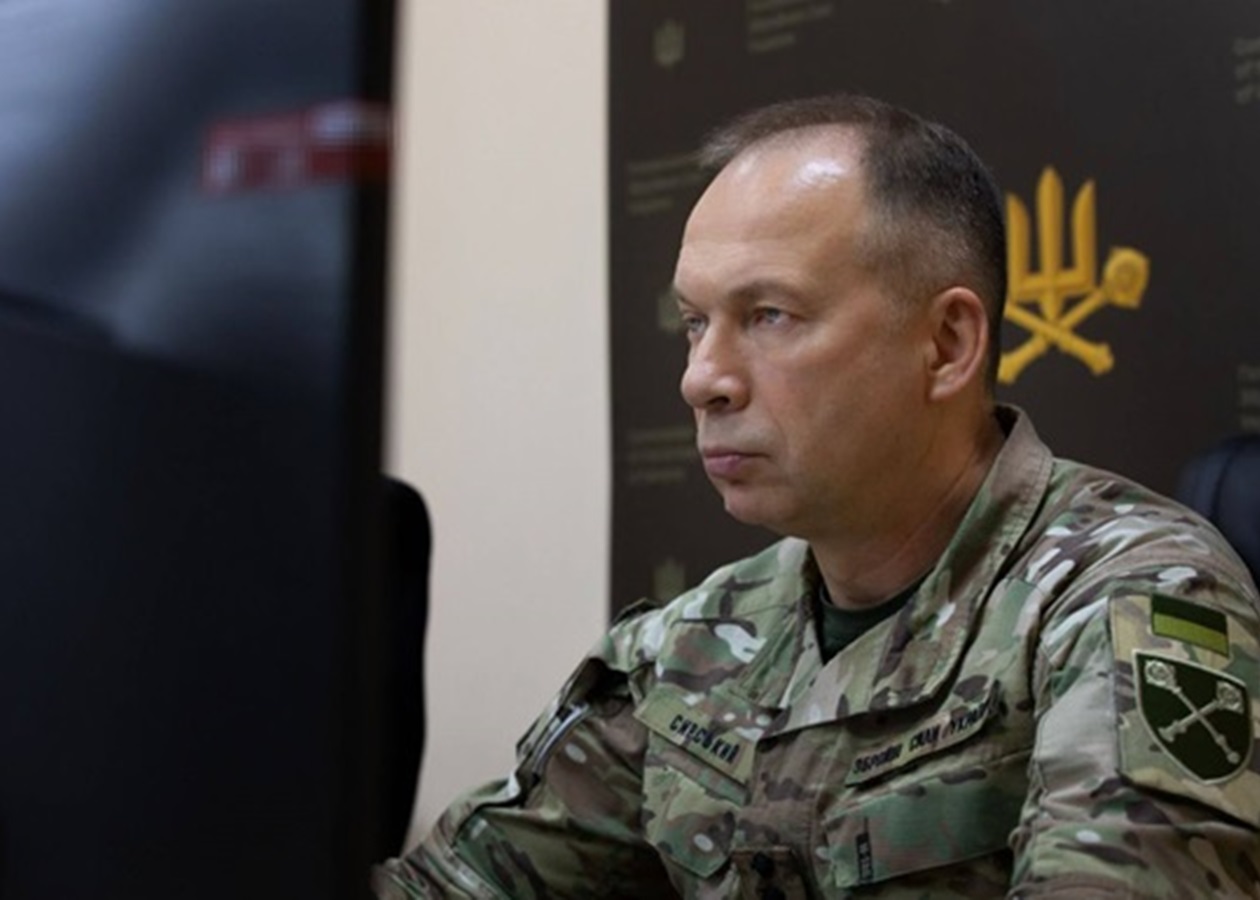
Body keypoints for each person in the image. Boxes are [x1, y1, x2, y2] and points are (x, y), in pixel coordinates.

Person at [373, 94, 1260, 898]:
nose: (702, 378)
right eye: (695, 322)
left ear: (948, 345)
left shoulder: (1132, 598)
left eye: (769, 315)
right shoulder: (691, 644)